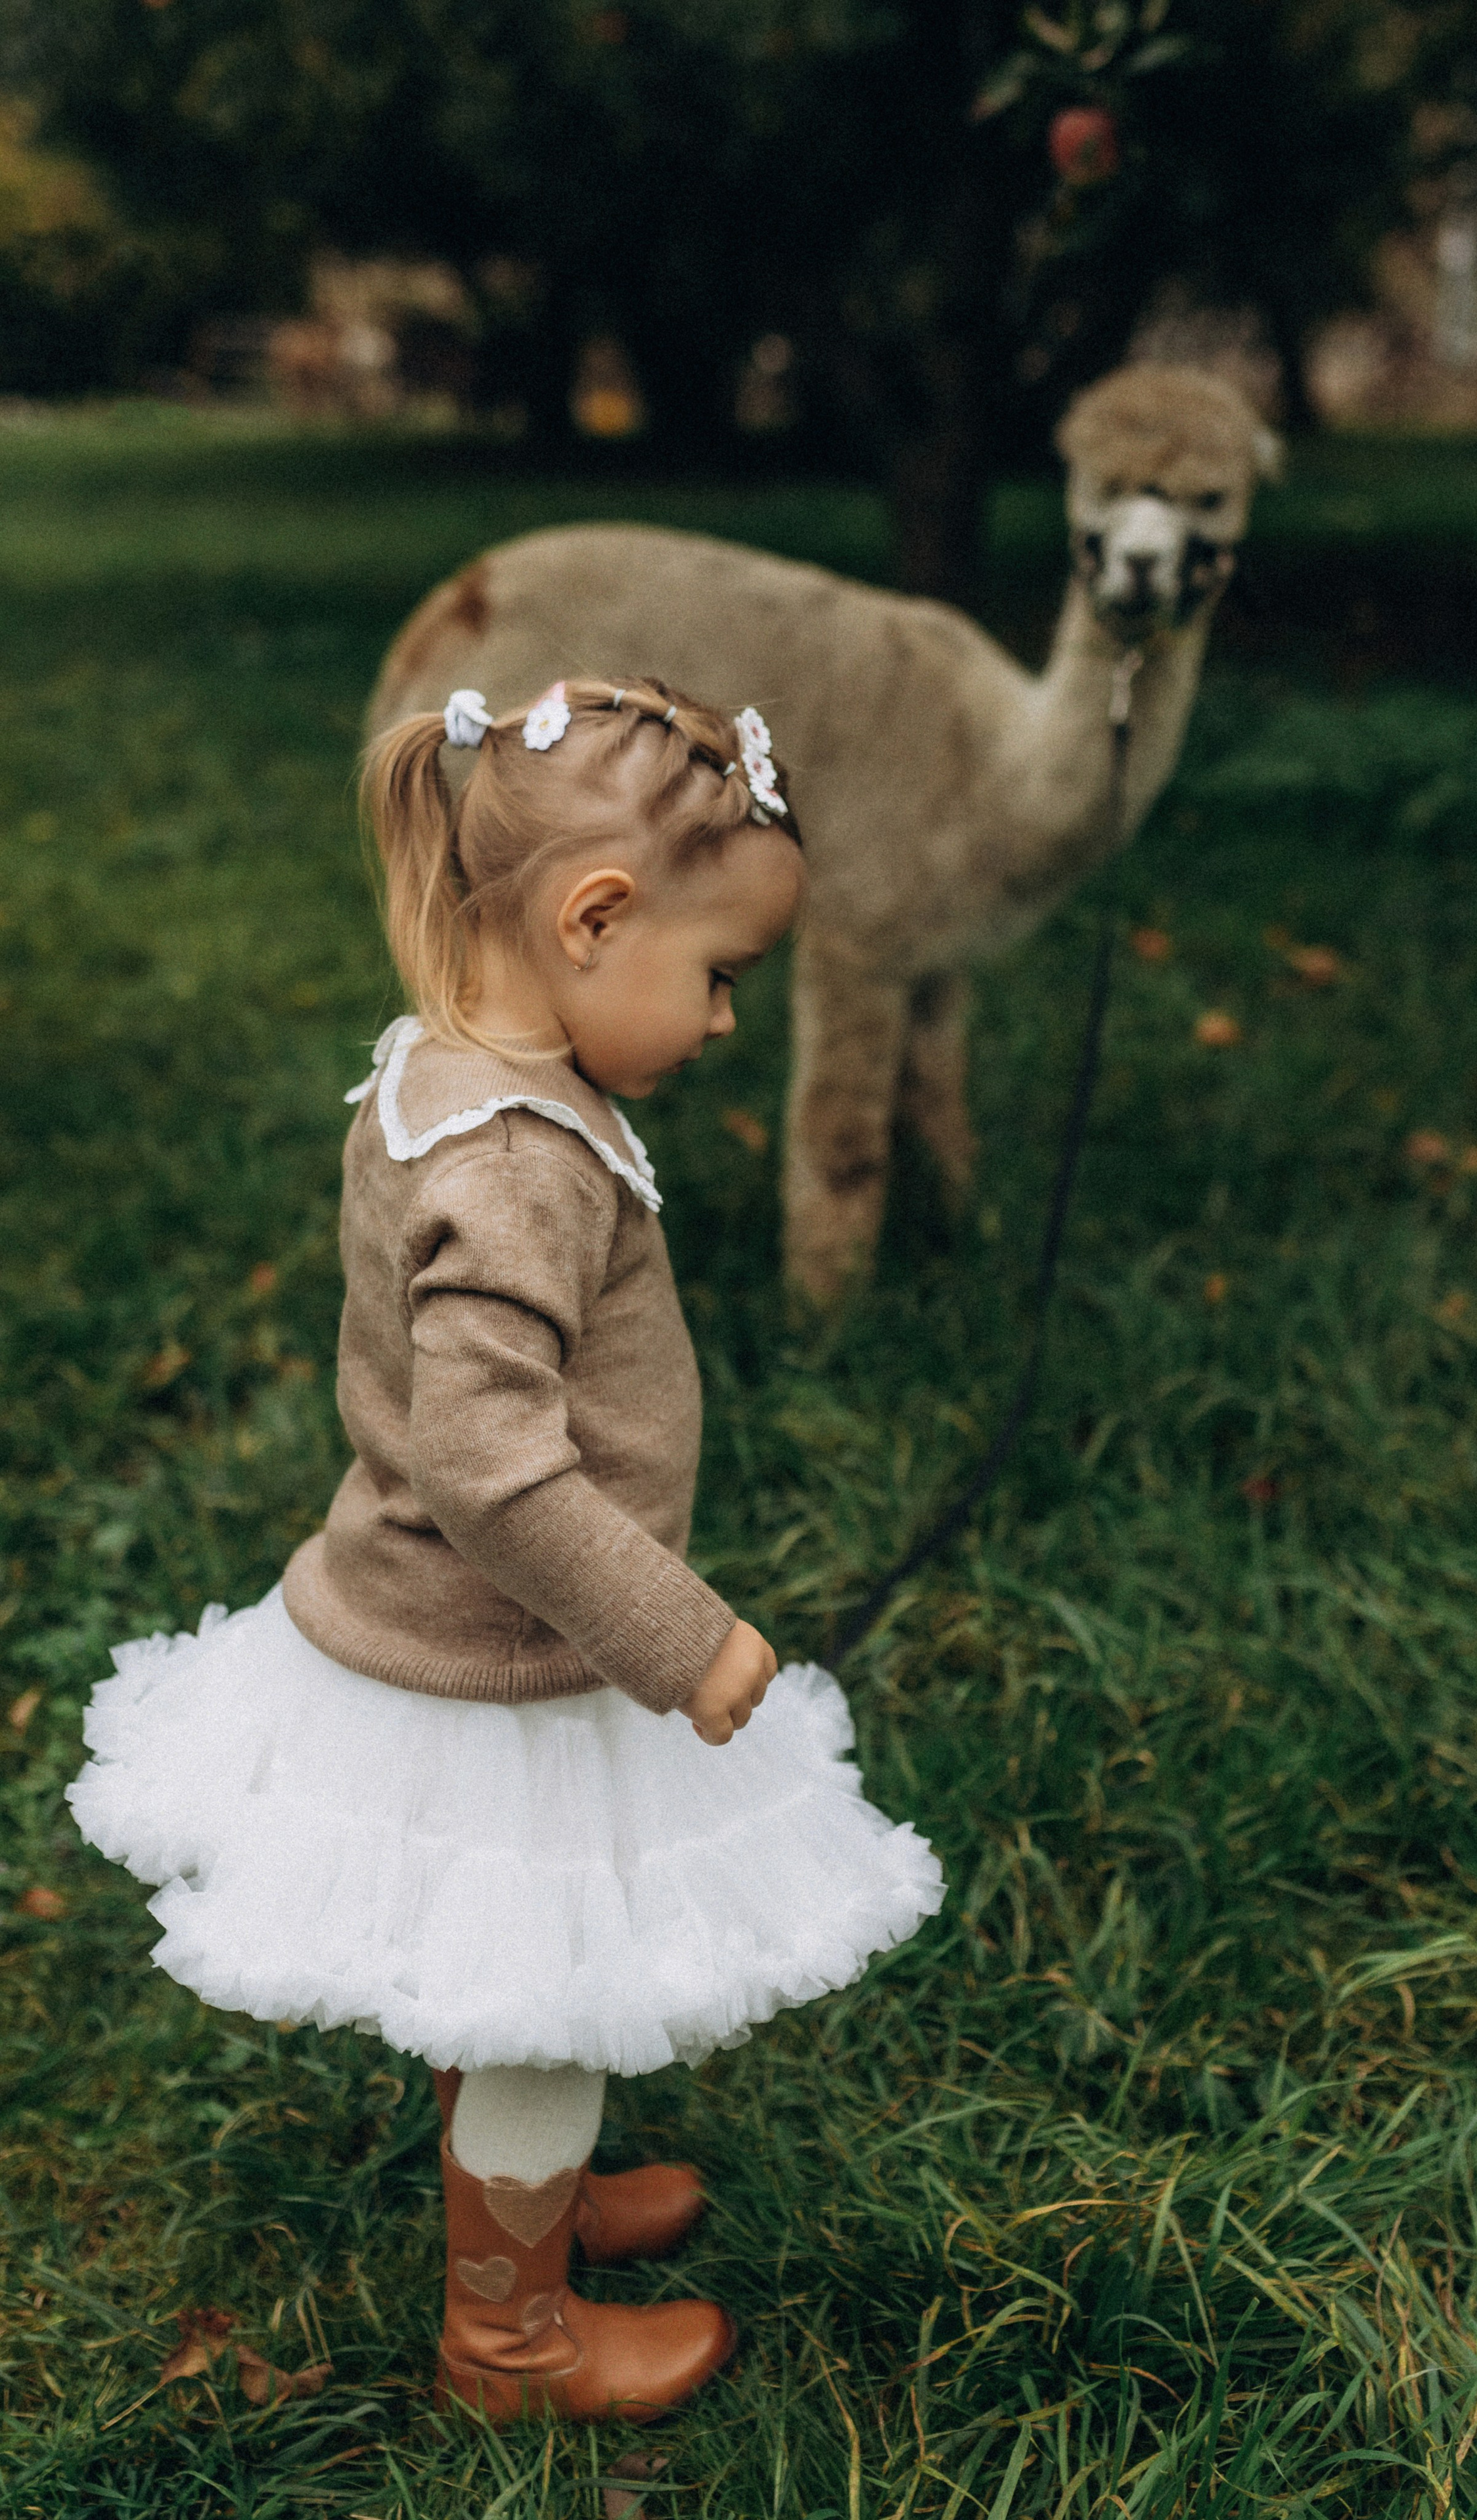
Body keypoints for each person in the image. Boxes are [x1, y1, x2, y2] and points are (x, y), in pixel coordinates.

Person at [68, 676, 944, 2424]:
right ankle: (511, 2336)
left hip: (456, 1632)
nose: (716, 1022)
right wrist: (679, 1635)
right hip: (509, 1655)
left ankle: (522, 2198)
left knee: (508, 1953)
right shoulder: (525, 1160)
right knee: (546, 1983)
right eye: (715, 978)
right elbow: (486, 1459)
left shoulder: (438, 1068)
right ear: (591, 916)